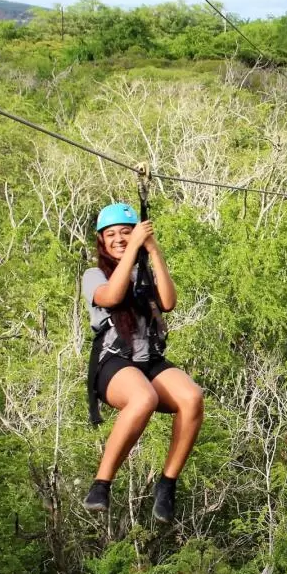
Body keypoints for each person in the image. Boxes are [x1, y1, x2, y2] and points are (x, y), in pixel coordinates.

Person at [81, 202, 204, 523]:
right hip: (114, 363)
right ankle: (101, 485)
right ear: (102, 241)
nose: (119, 239)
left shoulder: (144, 272)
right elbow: (111, 297)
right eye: (112, 235)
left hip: (149, 360)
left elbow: (168, 302)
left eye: (125, 232)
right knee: (143, 398)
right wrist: (135, 244)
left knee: (192, 398)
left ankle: (166, 486)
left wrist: (152, 248)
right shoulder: (94, 275)